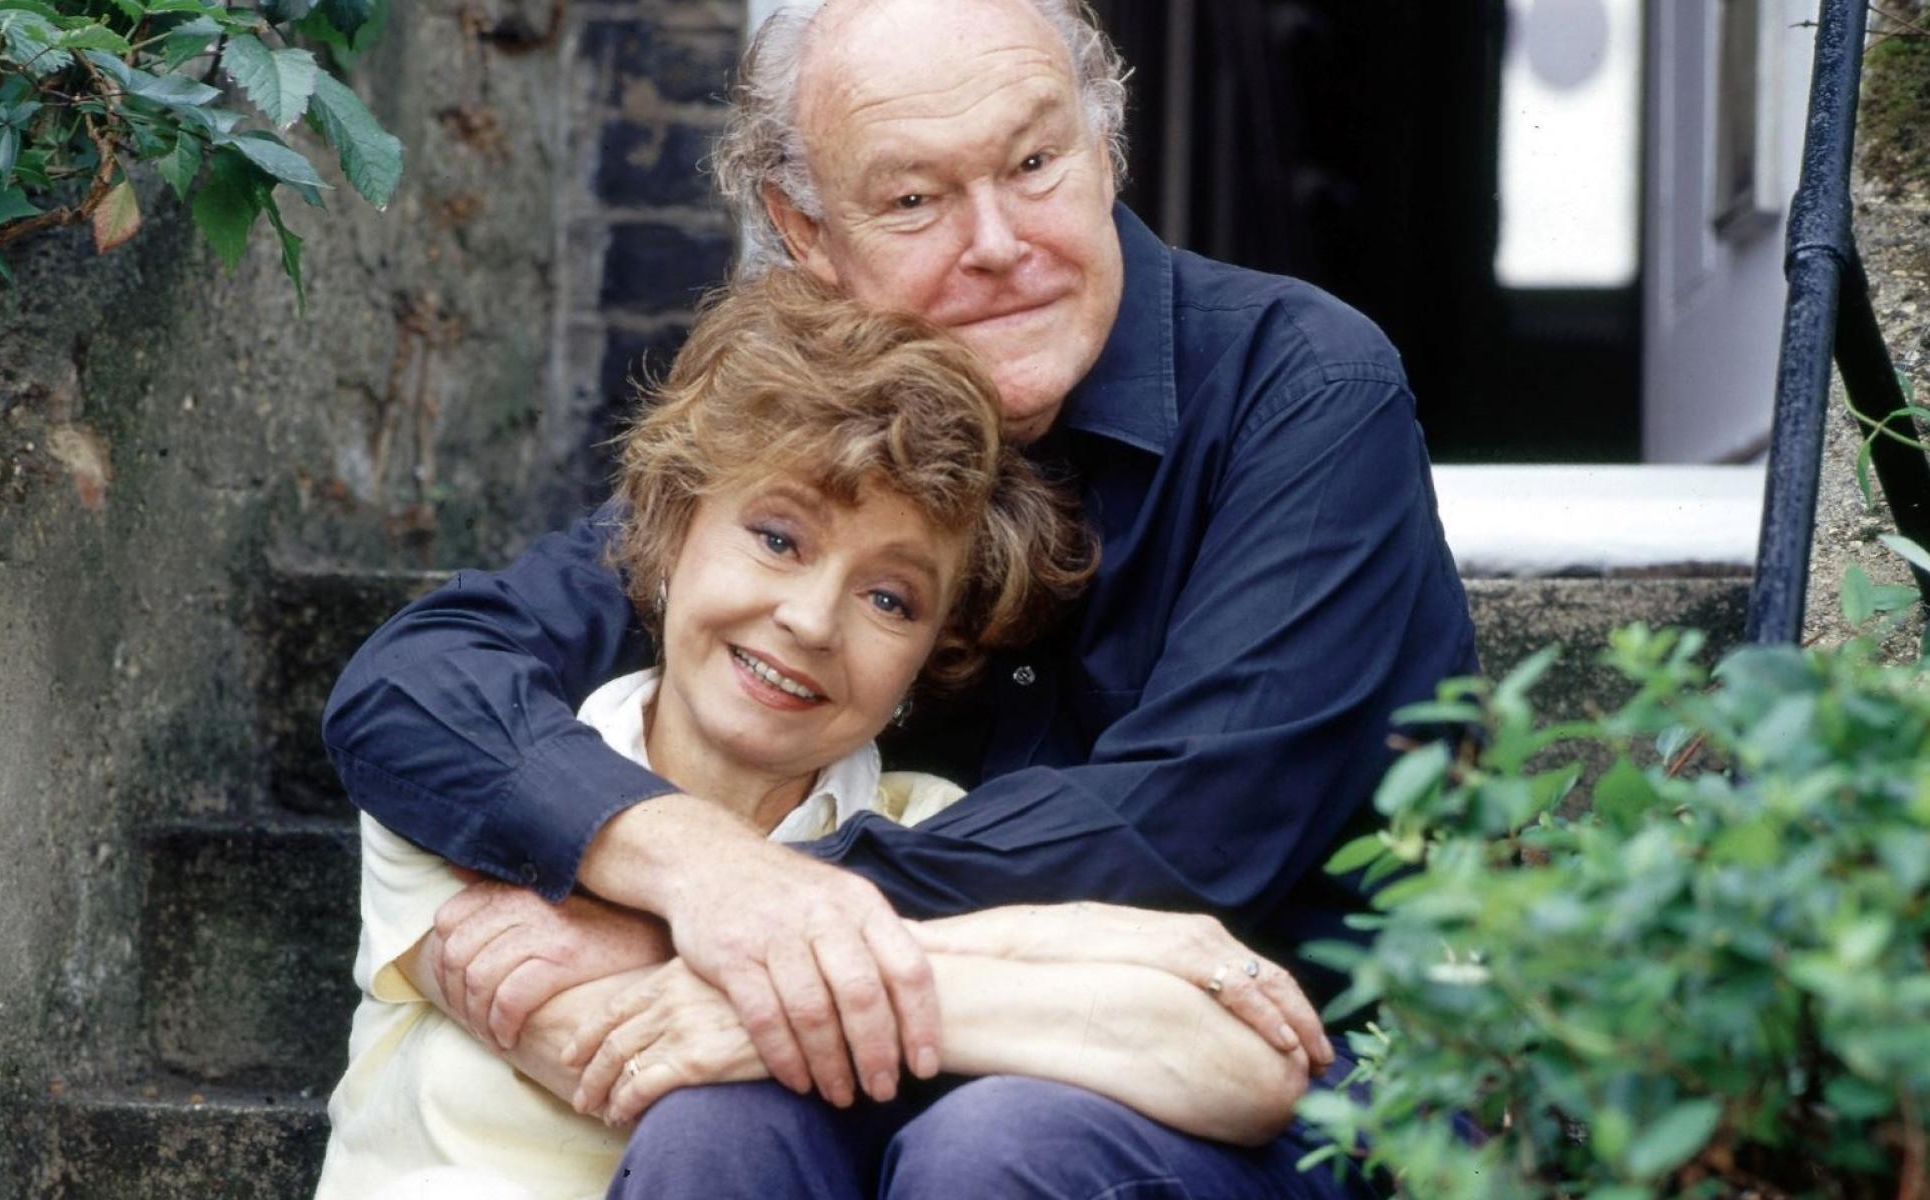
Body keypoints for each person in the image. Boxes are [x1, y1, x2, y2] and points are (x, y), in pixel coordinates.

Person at [323, 0, 1474, 1192]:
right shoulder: (827, 443)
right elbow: (417, 684)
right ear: (799, 228)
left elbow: (1187, 835)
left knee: (999, 1144)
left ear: (1106, 151)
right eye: (914, 199)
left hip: (1293, 1070)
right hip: (915, 1055)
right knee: (717, 1135)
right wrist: (696, 873)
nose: (996, 241)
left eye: (1034, 164)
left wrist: (740, 931)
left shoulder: (1306, 391)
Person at [314, 271, 1306, 1200]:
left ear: (932, 655)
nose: (812, 620)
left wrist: (1027, 933)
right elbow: (605, 1051)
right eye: (778, 538)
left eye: (889, 597)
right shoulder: (487, 785)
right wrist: (1042, 949)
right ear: (668, 531)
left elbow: (1238, 1068)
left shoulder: (934, 833)